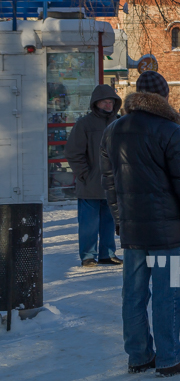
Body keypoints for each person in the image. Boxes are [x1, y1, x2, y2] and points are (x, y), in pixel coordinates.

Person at [100, 70, 180, 376]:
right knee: (167, 294)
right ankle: (169, 357)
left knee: (133, 295)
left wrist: (120, 219)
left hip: (133, 229)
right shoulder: (172, 131)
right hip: (168, 230)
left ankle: (138, 355)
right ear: (164, 97)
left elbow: (110, 183)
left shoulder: (114, 130)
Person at [64, 84, 122, 267]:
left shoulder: (119, 123)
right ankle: (88, 255)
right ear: (96, 103)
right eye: (104, 102)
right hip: (90, 183)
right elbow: (73, 152)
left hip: (113, 183)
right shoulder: (84, 124)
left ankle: (107, 253)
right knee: (88, 224)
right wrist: (84, 174)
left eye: (111, 101)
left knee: (109, 222)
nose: (108, 105)